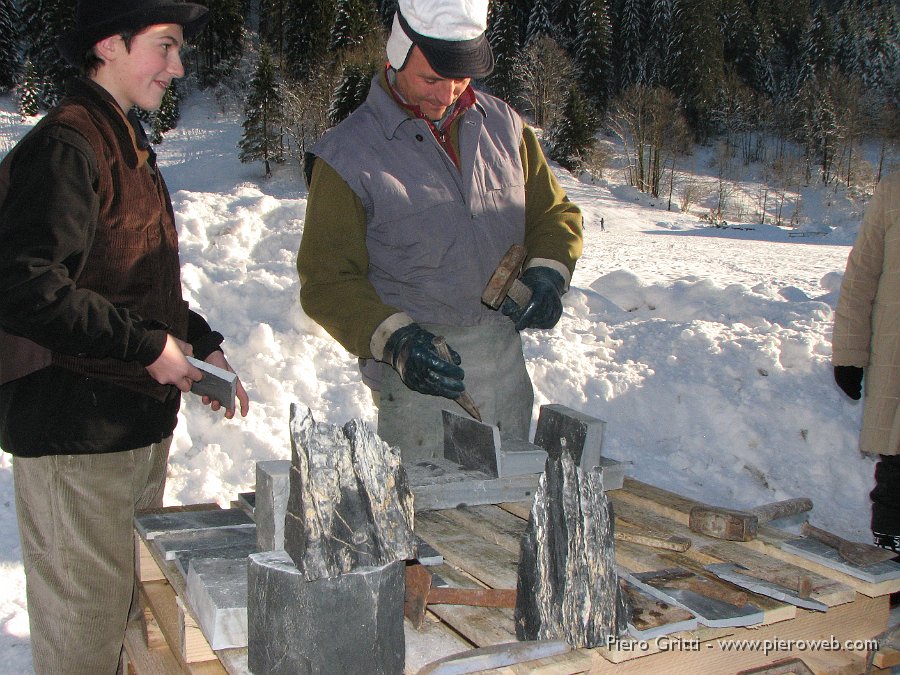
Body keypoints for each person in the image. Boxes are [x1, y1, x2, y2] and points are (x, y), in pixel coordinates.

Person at [0, 1, 250, 672]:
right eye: (164, 46)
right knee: (84, 636)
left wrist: (197, 342)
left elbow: (131, 284)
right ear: (109, 44)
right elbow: (28, 287)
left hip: (130, 432)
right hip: (75, 436)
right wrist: (148, 347)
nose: (178, 65)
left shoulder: (125, 142)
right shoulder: (66, 145)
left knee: (130, 622)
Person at [297, 0, 583, 461]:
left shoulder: (505, 127)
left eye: (461, 79)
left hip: (506, 371)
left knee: (508, 518)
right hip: (417, 386)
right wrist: (397, 341)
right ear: (396, 54)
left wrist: (549, 272)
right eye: (431, 79)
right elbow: (327, 282)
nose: (446, 94)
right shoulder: (348, 155)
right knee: (431, 526)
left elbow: (554, 214)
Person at [832, 172, 900, 554]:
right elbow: (861, 277)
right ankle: (891, 563)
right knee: (897, 471)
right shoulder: (894, 192)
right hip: (897, 363)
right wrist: (849, 353)